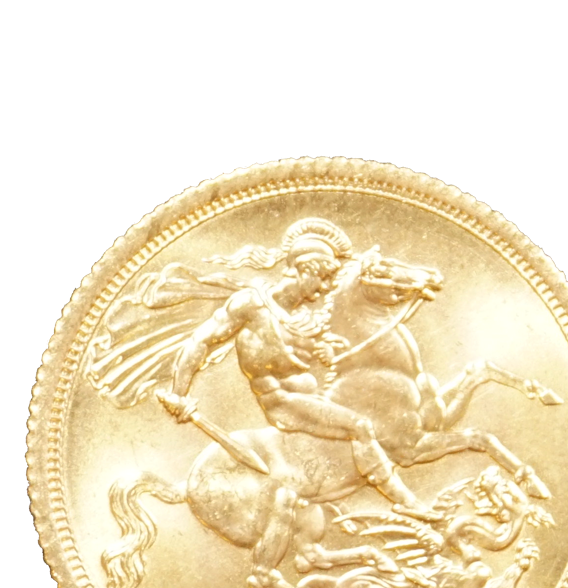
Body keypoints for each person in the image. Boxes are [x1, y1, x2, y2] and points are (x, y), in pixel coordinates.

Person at [162, 219, 438, 519]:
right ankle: (405, 501)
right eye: (322, 279)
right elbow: (200, 342)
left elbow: (309, 358)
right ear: (306, 270)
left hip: (313, 398)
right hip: (283, 404)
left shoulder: (301, 317)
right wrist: (178, 393)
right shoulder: (251, 305)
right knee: (360, 426)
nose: (324, 288)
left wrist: (324, 350)